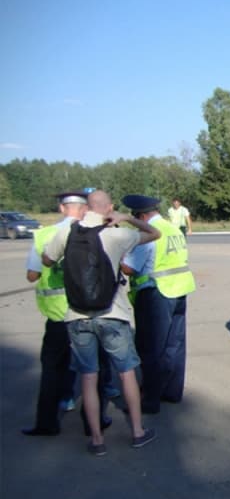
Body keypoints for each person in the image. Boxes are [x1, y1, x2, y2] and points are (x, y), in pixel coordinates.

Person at [43, 190, 161, 455]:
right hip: (113, 314)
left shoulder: (68, 232)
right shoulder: (116, 234)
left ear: (86, 208)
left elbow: (47, 260)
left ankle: (97, 440)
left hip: (77, 316)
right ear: (108, 208)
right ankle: (138, 431)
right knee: (126, 372)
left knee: (88, 376)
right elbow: (155, 234)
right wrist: (127, 218)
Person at [21, 192, 88, 436]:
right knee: (92, 369)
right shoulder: (92, 231)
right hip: (87, 310)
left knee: (52, 368)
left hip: (58, 315)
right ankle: (95, 423)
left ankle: (47, 422)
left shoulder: (44, 235)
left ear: (62, 208)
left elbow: (32, 275)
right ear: (84, 209)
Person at [122, 194, 196, 414]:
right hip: (180, 290)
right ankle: (172, 392)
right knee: (175, 345)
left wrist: (118, 256)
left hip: (156, 293)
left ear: (141, 215)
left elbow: (129, 268)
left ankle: (149, 400)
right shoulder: (173, 228)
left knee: (151, 348)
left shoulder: (147, 234)